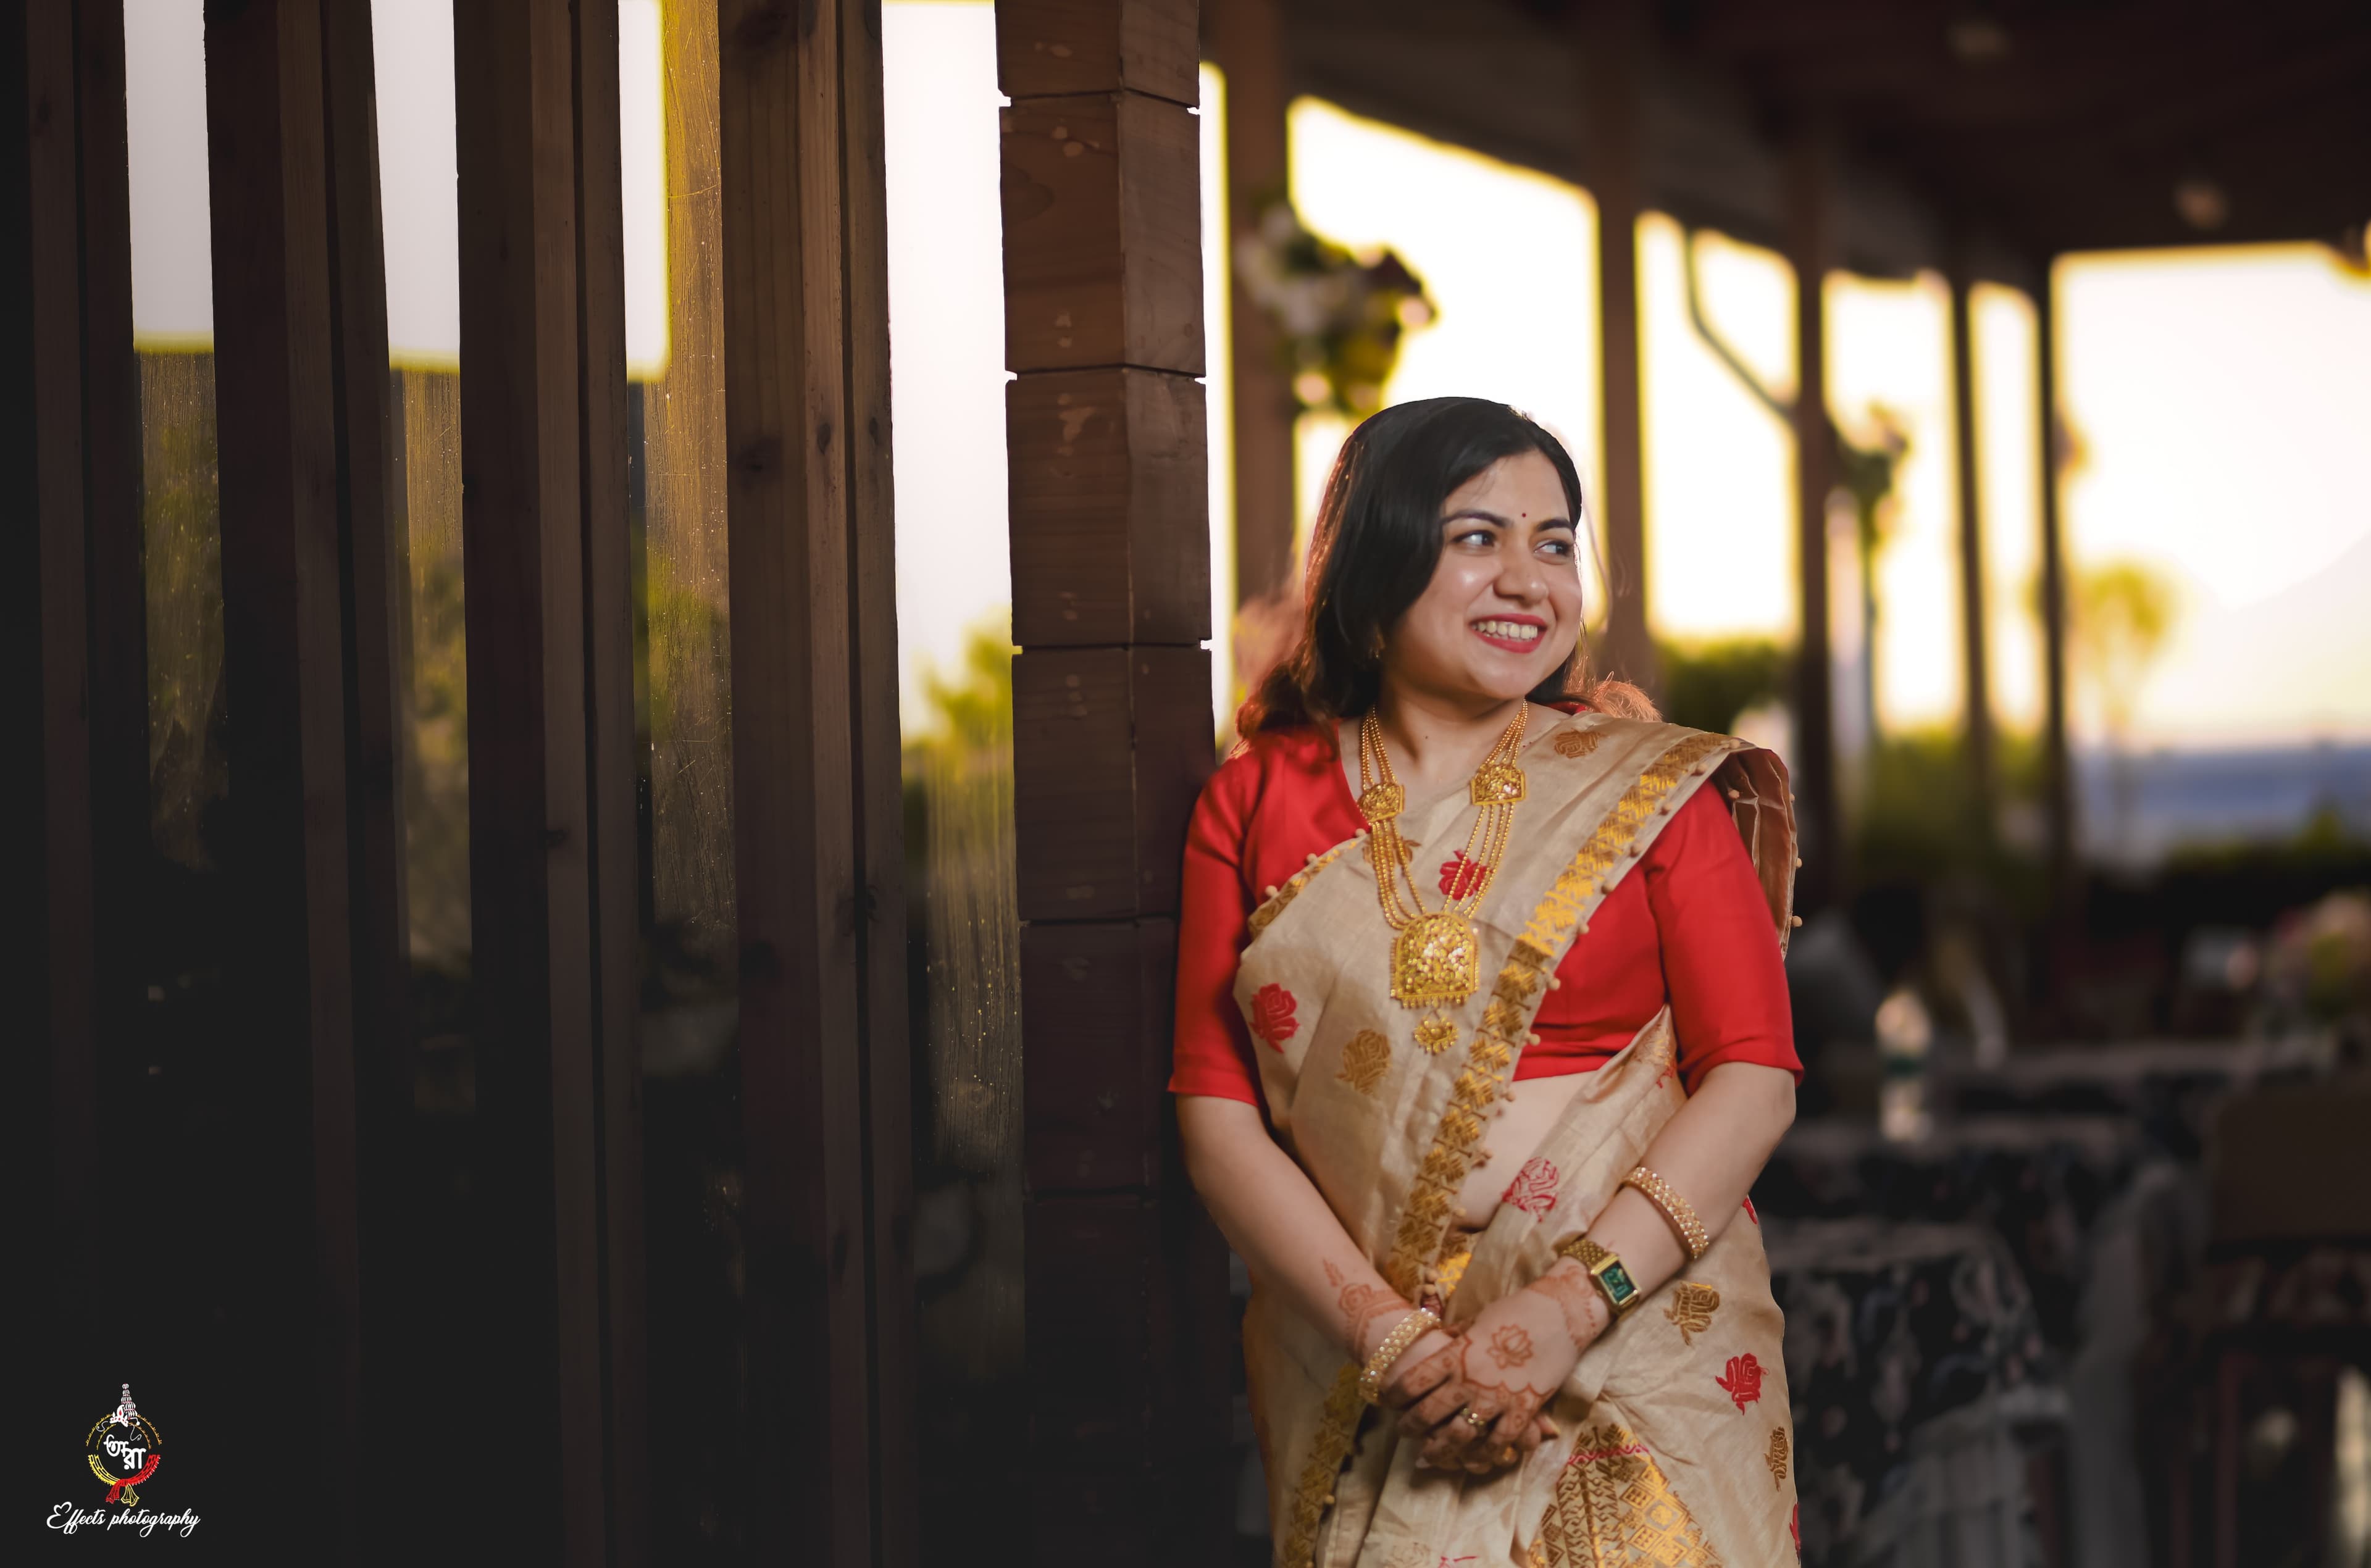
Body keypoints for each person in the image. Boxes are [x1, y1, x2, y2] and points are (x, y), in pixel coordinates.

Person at [1172, 398, 1805, 1567]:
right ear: (1375, 562)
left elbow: (1754, 1078)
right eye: (1477, 537)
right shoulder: (1257, 803)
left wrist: (1566, 1307)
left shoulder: (1652, 794)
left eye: (1554, 544)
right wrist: (1393, 1342)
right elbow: (1219, 1118)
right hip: (1369, 1355)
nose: (1528, 579)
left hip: (1638, 1328)